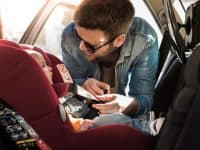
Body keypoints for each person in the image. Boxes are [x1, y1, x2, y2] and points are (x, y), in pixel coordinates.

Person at [61, 0, 158, 125]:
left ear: (119, 40)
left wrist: (126, 105)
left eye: (90, 45)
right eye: (78, 36)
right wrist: (82, 83)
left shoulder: (144, 40)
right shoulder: (69, 36)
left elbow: (144, 99)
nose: (81, 47)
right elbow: (66, 84)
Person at [25, 49, 94, 132]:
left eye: (47, 64)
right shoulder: (40, 101)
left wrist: (89, 99)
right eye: (43, 66)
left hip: (87, 111)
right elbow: (57, 121)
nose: (50, 68)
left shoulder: (63, 87)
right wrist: (78, 124)